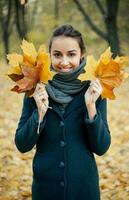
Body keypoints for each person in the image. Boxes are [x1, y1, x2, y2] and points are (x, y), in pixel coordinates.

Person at [15, 24, 111, 200]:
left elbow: (102, 147)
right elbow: (22, 144)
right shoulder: (35, 89)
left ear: (82, 54)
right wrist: (39, 113)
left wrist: (91, 108)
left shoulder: (95, 90)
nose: (64, 62)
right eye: (57, 54)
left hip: (84, 191)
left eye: (71, 54)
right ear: (49, 55)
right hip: (46, 190)